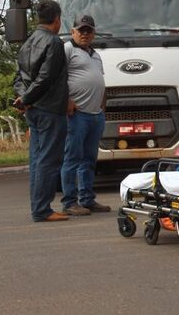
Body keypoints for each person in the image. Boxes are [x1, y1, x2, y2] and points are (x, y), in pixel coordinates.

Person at [13, 0, 69, 222]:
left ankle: (38, 207)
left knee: (37, 159)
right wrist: (27, 98)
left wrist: (24, 100)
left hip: (34, 109)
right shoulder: (54, 42)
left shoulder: (27, 43)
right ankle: (42, 210)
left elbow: (19, 78)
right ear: (57, 19)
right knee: (48, 159)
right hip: (50, 109)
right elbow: (46, 78)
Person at [60, 15, 111, 215]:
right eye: (81, 30)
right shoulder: (67, 49)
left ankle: (87, 199)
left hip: (95, 115)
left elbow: (101, 81)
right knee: (72, 158)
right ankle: (69, 203)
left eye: (89, 30)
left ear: (93, 33)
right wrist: (67, 100)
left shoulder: (95, 55)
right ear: (73, 31)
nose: (85, 34)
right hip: (77, 114)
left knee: (89, 159)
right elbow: (57, 78)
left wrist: (102, 107)